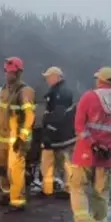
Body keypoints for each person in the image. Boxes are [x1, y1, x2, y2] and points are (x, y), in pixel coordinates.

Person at [69, 67, 111, 222]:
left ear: (100, 80)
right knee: (101, 194)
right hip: (106, 158)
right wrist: (109, 149)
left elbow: (79, 126)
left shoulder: (89, 97)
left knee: (78, 188)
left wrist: (93, 144)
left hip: (85, 154)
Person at [0, 56, 35, 212]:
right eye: (7, 72)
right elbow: (0, 111)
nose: (8, 75)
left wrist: (21, 138)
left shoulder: (25, 91)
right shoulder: (3, 90)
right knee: (0, 167)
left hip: (17, 139)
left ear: (19, 73)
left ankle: (17, 200)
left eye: (11, 73)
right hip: (3, 137)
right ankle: (7, 193)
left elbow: (30, 116)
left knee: (15, 171)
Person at [40, 66, 76, 198]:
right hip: (62, 135)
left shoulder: (61, 92)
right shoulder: (59, 91)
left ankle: (61, 190)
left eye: (49, 77)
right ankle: (64, 189)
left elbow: (58, 114)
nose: (47, 80)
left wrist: (49, 130)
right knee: (63, 163)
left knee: (61, 162)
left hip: (60, 136)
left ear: (57, 77)